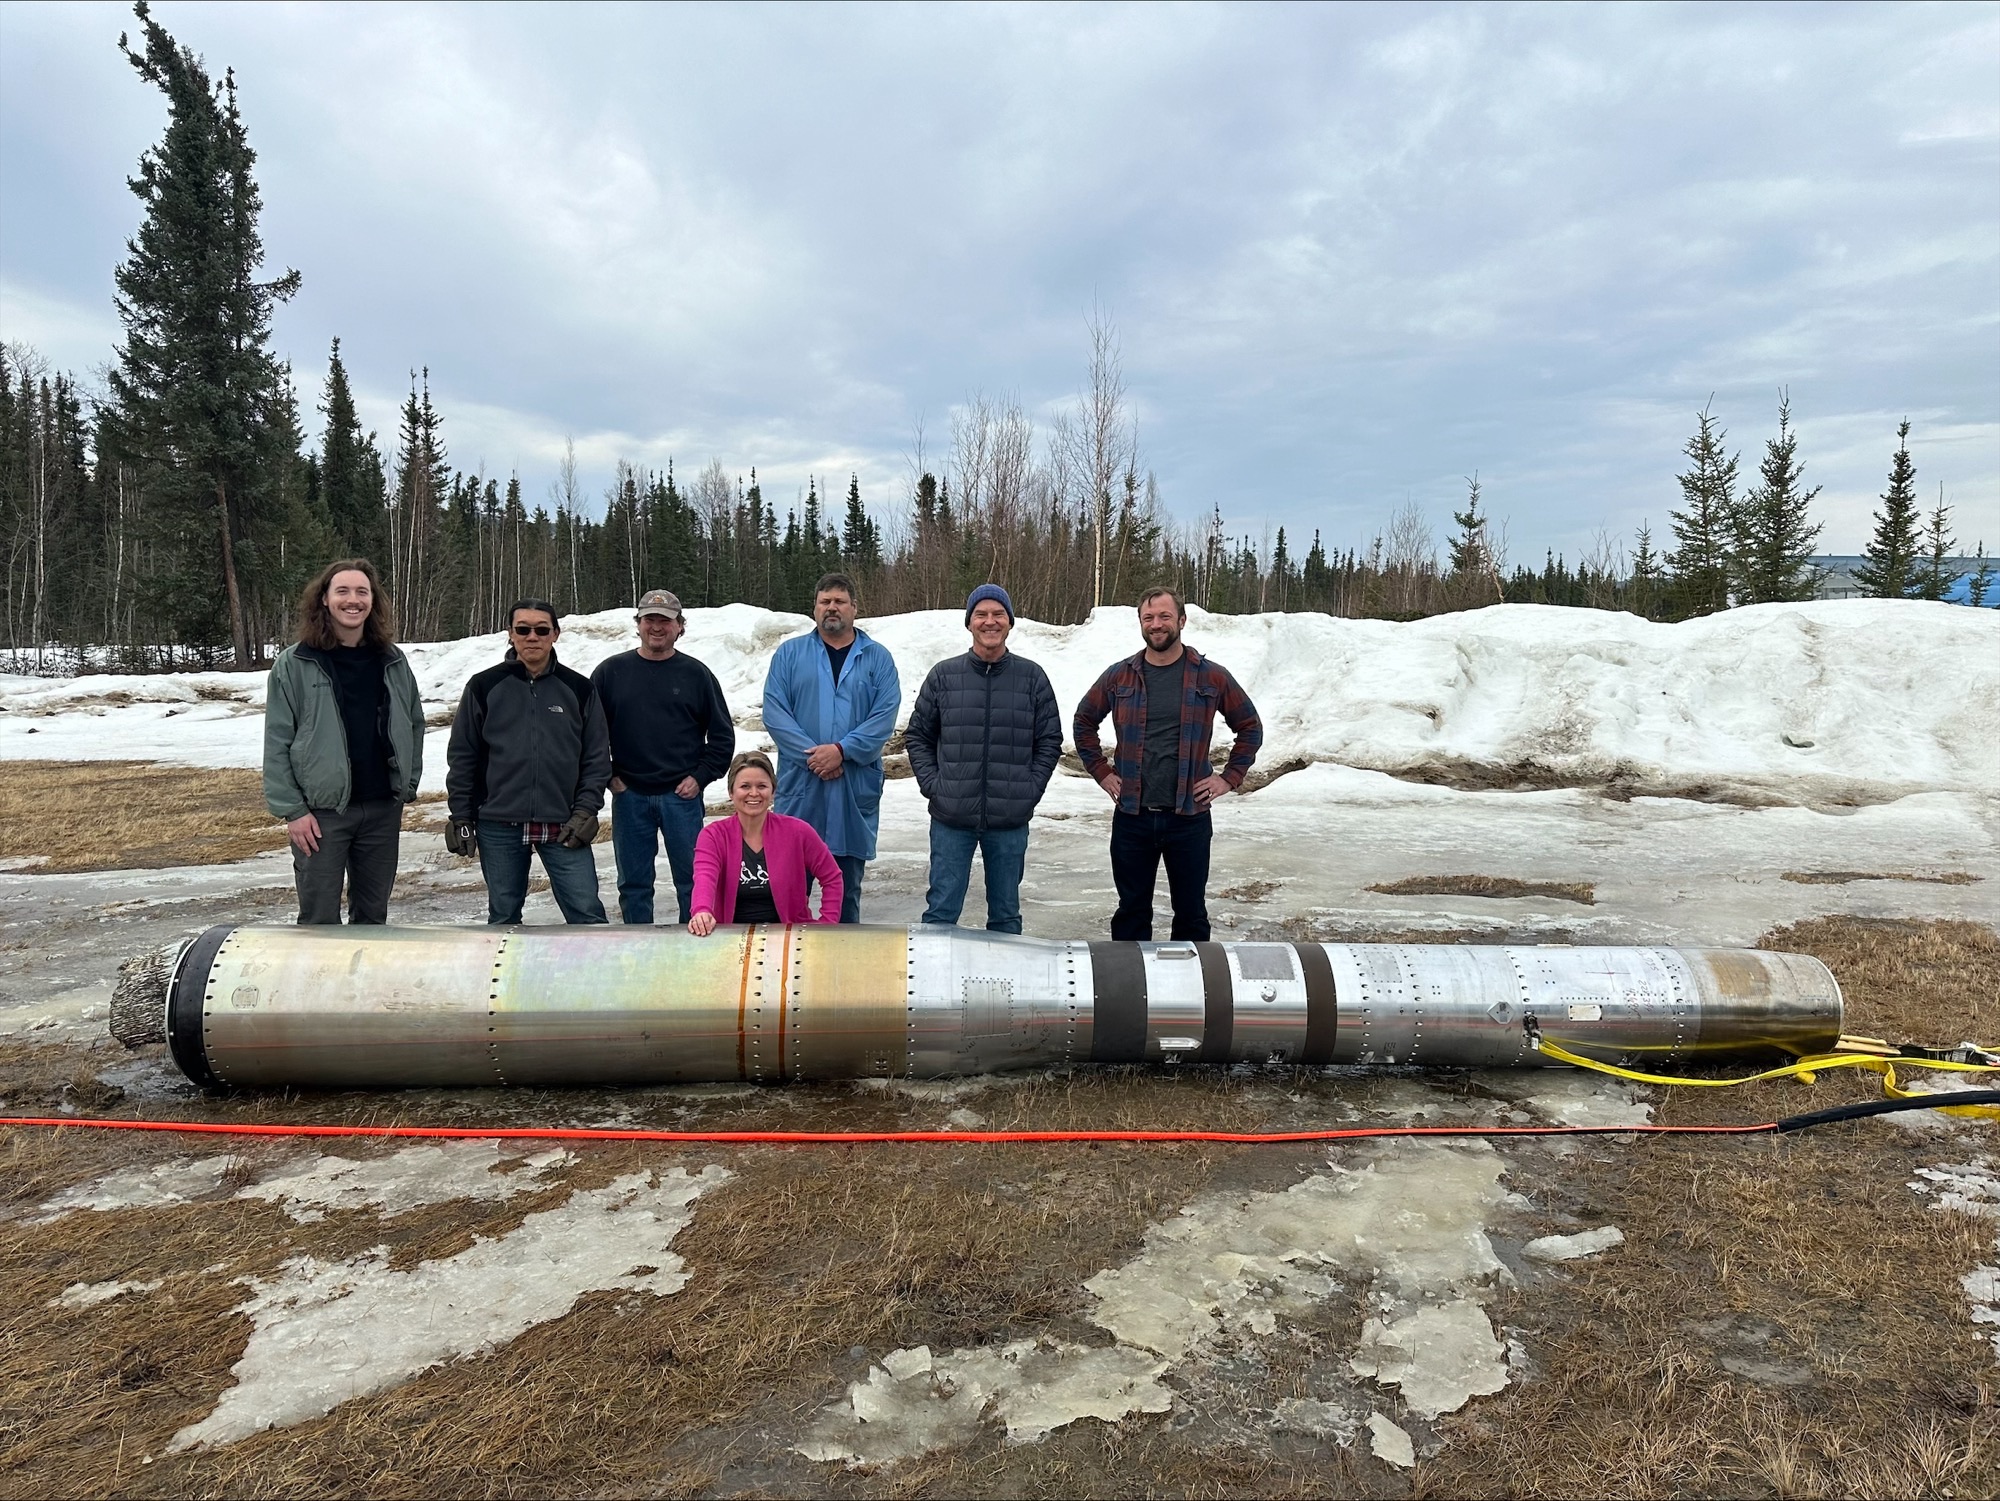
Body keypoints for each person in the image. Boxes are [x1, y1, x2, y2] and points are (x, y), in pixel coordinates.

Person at [1073, 586, 1262, 941]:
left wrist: (1228, 778)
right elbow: (1084, 721)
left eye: (1164, 616)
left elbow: (1250, 727)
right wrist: (1101, 772)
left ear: (1182, 620)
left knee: (1191, 915)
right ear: (1140, 623)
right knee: (1131, 913)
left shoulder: (1211, 676)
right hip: (1133, 817)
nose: (1156, 624)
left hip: (1188, 819)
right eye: (1148, 617)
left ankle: (1189, 992)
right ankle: (1131, 994)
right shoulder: (1120, 676)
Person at [263, 558, 426, 925]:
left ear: (373, 601)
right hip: (322, 815)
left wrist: (407, 785)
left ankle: (363, 983)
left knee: (372, 917)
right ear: (324, 599)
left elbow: (414, 723)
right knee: (319, 918)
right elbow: (276, 739)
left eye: (361, 592)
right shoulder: (295, 663)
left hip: (382, 809)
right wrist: (294, 811)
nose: (353, 600)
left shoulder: (392, 660)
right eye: (342, 591)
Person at [904, 583, 1061, 934]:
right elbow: (918, 736)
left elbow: (1049, 740)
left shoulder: (1032, 678)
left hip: (1009, 819)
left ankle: (1008, 986)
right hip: (951, 817)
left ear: (1009, 622)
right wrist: (935, 786)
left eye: (998, 614)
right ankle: (934, 986)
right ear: (969, 622)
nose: (990, 622)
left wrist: (1029, 789)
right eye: (981, 614)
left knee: (1005, 915)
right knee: (941, 911)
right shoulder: (944, 676)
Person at [445, 599, 611, 925]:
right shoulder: (484, 686)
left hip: (564, 824)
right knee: (504, 917)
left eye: (541, 629)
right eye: (523, 629)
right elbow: (463, 756)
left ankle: (592, 975)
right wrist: (461, 815)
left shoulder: (578, 688)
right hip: (498, 825)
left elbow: (596, 759)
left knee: (587, 913)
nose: (532, 636)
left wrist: (585, 811)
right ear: (510, 634)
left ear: (555, 634)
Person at [761, 571, 900, 923]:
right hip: (802, 788)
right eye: (825, 602)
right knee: (791, 888)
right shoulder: (790, 655)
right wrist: (816, 756)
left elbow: (884, 716)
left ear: (854, 608)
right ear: (815, 609)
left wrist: (842, 751)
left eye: (839, 601)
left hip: (853, 789)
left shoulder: (877, 658)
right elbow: (776, 714)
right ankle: (788, 970)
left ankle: (846, 966)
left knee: (846, 889)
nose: (832, 608)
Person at [591, 588, 734, 925]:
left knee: (694, 881)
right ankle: (639, 950)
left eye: (665, 621)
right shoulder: (610, 673)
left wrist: (699, 778)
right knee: (634, 885)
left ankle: (694, 946)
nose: (657, 627)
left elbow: (722, 737)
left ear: (680, 626)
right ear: (638, 624)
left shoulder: (696, 675)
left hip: (681, 797)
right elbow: (588, 735)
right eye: (649, 620)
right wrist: (609, 774)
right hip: (630, 797)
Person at [687, 751, 843, 934]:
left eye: (762, 786)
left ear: (773, 791)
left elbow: (832, 877)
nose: (754, 793)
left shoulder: (798, 831)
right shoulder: (713, 836)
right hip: (729, 937)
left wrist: (828, 924)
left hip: (790, 937)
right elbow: (705, 877)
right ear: (731, 792)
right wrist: (702, 910)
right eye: (745, 786)